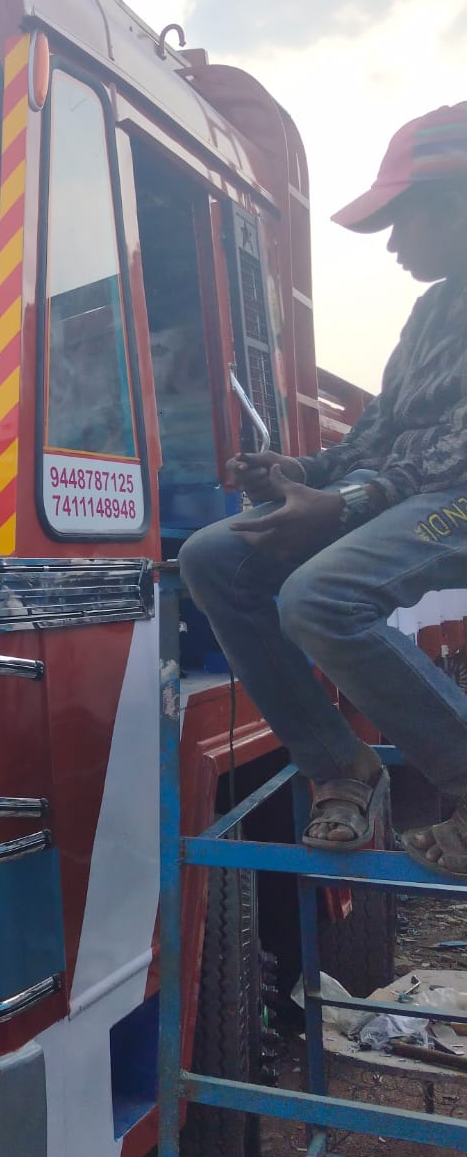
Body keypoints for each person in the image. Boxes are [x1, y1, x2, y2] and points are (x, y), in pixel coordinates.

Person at [179, 103, 467, 874]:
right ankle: (341, 765)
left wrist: (348, 505)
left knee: (319, 596)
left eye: (403, 221)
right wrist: (302, 474)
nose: (395, 244)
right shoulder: (430, 312)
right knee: (214, 557)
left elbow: (453, 451)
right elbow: (381, 435)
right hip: (419, 494)